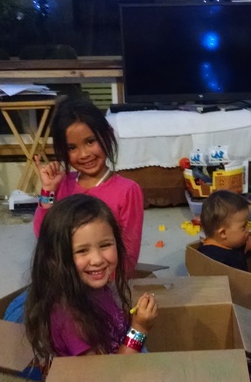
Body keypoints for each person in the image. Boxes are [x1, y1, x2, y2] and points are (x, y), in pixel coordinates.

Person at [24, 194, 157, 367]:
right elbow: (107, 375)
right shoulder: (71, 320)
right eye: (82, 251)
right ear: (54, 258)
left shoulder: (93, 288)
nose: (97, 259)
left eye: (105, 245)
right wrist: (139, 329)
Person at [33, 97, 144, 277]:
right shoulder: (61, 184)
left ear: (107, 134)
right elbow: (44, 236)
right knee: (17, 305)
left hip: (104, 284)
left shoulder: (128, 191)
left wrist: (96, 284)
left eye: (90, 141)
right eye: (71, 147)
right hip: (65, 281)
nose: (84, 154)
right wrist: (48, 190)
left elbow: (128, 256)